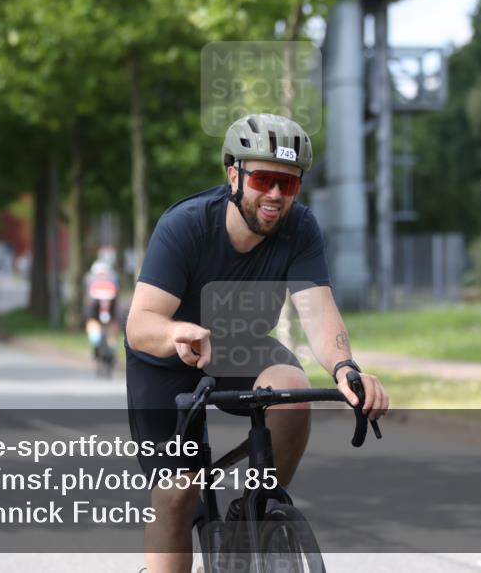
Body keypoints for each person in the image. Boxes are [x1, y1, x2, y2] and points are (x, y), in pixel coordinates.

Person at [124, 114, 390, 572]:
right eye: (264, 180)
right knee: (178, 494)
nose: (275, 196)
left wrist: (347, 369)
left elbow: (319, 312)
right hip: (167, 362)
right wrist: (175, 332)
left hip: (238, 348)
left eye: (289, 186)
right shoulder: (185, 226)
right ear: (234, 175)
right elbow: (139, 323)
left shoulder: (300, 229)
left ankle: (257, 510)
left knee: (291, 392)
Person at [83, 257, 120, 372]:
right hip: (110, 308)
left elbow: (86, 296)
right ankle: (112, 347)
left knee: (92, 323)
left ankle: (96, 342)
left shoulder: (89, 278)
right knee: (112, 326)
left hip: (94, 309)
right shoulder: (114, 277)